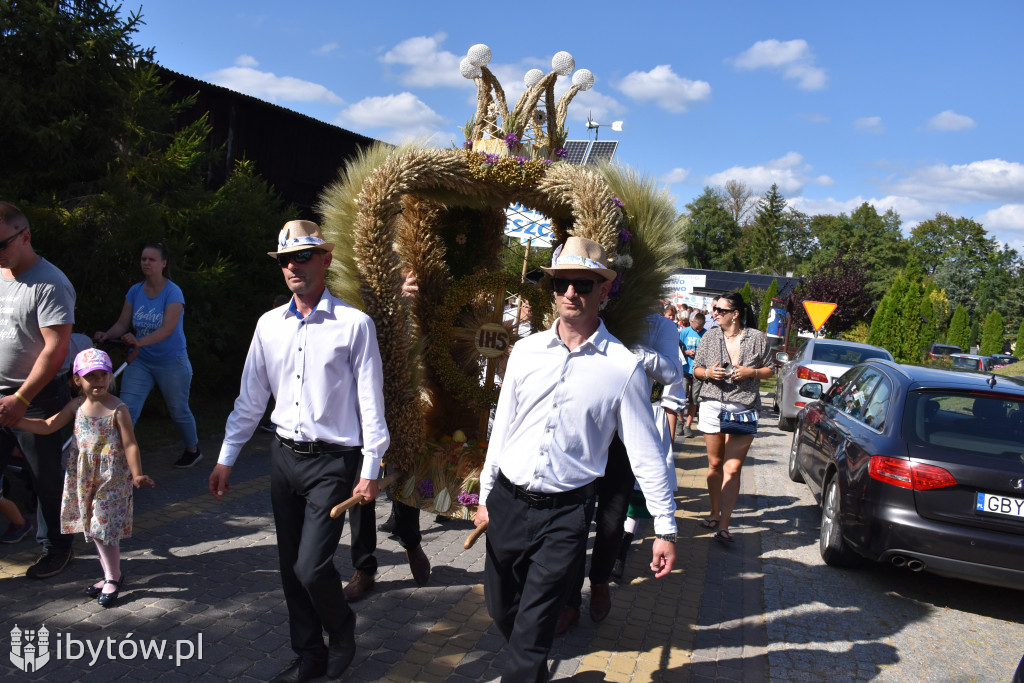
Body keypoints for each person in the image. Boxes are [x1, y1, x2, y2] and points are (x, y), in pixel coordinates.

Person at [475, 236, 678, 682]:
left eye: (583, 284)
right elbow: (502, 426)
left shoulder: (622, 367)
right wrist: (485, 494)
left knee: (534, 629)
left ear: (604, 290)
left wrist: (664, 525)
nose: (572, 293)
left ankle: (526, 668)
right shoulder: (525, 351)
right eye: (563, 282)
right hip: (508, 501)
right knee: (500, 606)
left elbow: (646, 454)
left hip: (565, 513)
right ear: (551, 287)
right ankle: (532, 668)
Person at [209, 220, 389, 683]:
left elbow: (371, 404)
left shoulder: (355, 325)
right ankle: (308, 655)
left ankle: (342, 630)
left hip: (333, 462)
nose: (293, 267)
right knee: (291, 568)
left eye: (303, 256)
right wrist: (227, 456)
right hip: (283, 457)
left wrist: (370, 468)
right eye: (286, 259)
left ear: (326, 260)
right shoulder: (269, 325)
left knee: (312, 567)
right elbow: (251, 398)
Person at [559, 310, 683, 633]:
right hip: (589, 427)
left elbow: (672, 373)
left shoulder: (662, 326)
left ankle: (599, 580)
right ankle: (569, 599)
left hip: (627, 433)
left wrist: (637, 352)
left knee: (612, 519)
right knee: (575, 515)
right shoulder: (596, 314)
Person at [16, 348, 154, 607]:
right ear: (78, 380)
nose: (98, 380)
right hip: (83, 476)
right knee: (92, 527)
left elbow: (131, 444)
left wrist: (137, 474)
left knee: (102, 528)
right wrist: (17, 420)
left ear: (111, 376)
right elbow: (47, 426)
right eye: (91, 376)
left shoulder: (118, 408)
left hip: (111, 478)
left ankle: (113, 578)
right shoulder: (76, 405)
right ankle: (109, 575)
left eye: (103, 374)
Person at [0, 201, 77, 579]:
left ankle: (58, 548)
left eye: (0, 245)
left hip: (36, 398)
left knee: (45, 478)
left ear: (24, 236)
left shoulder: (50, 282)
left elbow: (56, 348)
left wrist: (22, 399)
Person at [345, 272, 431, 602]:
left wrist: (405, 305)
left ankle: (411, 542)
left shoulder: (411, 266)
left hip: (401, 392)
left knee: (402, 478)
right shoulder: (361, 269)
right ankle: (364, 568)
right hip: (360, 402)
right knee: (360, 486)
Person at [94, 243, 202, 469]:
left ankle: (193, 450)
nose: (146, 263)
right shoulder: (135, 291)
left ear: (163, 263)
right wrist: (107, 334)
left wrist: (138, 341)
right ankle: (118, 461)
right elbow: (123, 323)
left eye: (152, 259)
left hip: (171, 361)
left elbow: (167, 329)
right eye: (143, 259)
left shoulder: (173, 292)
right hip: (140, 360)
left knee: (178, 410)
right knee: (127, 409)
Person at [692, 292, 772, 542]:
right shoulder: (710, 336)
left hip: (744, 407)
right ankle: (714, 512)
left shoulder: (757, 338)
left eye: (720, 310)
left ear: (736, 314)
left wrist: (752, 372)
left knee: (733, 467)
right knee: (715, 464)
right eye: (715, 309)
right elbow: (696, 368)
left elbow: (770, 369)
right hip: (713, 404)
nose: (714, 313)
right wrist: (708, 373)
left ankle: (724, 525)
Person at [679, 311, 708, 438]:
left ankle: (688, 425)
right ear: (692, 322)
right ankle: (680, 422)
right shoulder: (685, 332)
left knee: (694, 399)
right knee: (681, 396)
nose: (698, 330)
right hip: (685, 369)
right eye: (697, 327)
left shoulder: (706, 334)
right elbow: (677, 347)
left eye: (700, 328)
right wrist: (685, 352)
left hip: (699, 371)